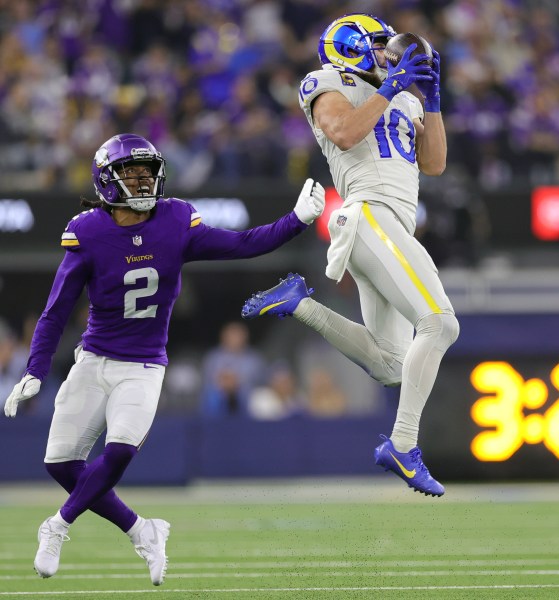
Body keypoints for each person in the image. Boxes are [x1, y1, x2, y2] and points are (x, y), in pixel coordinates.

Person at [2, 133, 325, 585]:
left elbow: (243, 243)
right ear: (107, 181)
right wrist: (35, 369)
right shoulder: (89, 231)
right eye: (131, 175)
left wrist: (296, 221)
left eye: (148, 173)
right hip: (94, 359)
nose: (143, 182)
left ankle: (57, 526)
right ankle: (142, 530)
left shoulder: (175, 220)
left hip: (144, 365)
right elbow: (56, 311)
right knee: (59, 464)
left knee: (118, 452)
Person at [241, 14, 459, 497]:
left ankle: (300, 303)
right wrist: (390, 89)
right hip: (367, 213)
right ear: (352, 47)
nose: (388, 57)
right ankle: (403, 445)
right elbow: (342, 132)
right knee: (441, 324)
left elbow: (435, 163)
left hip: (393, 225)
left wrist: (433, 102)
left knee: (390, 365)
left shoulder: (399, 92)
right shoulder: (327, 81)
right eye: (379, 47)